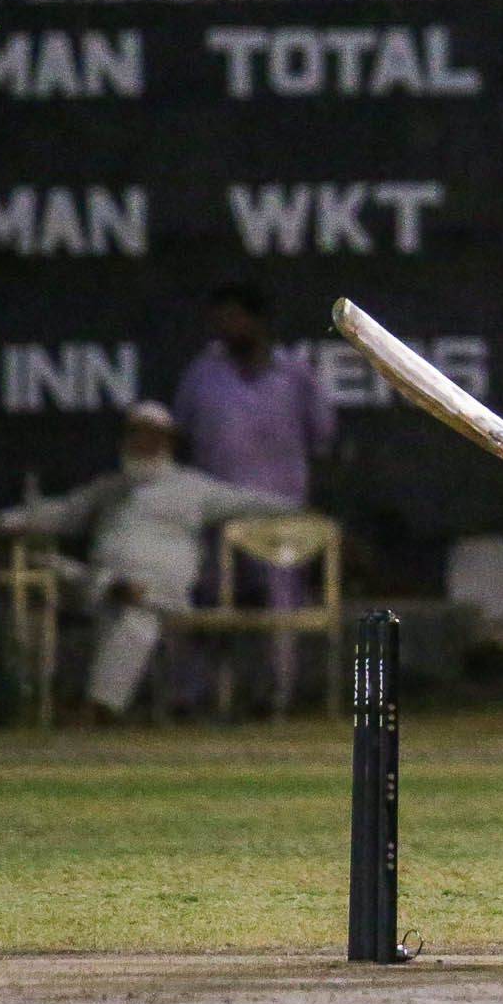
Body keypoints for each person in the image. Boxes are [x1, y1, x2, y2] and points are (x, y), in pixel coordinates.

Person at [0, 402, 297, 724]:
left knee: (135, 613)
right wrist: (6, 520)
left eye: (150, 437)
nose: (141, 444)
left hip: (157, 590)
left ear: (166, 442)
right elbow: (62, 513)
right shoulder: (112, 487)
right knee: (40, 567)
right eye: (135, 435)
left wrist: (305, 509)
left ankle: (99, 707)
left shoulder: (193, 488)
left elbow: (253, 503)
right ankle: (21, 699)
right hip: (100, 583)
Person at [173, 284, 336, 713]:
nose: (226, 328)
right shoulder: (202, 373)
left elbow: (322, 440)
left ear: (258, 321)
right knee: (207, 600)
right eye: (220, 320)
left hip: (280, 511)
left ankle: (277, 696)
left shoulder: (296, 374)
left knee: (281, 603)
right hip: (217, 511)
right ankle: (193, 697)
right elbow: (181, 435)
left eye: (234, 318)